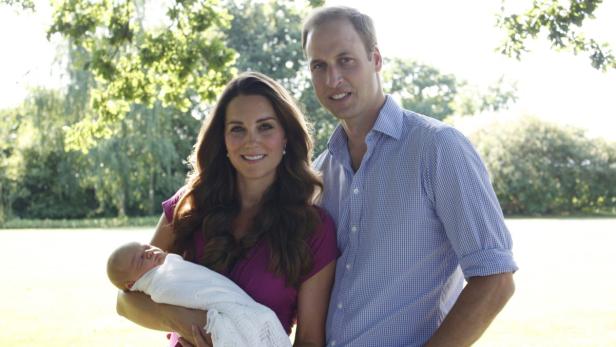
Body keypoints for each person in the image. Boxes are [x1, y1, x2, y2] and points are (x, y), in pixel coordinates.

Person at [301, 6, 518, 347]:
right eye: (319, 66)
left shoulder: (438, 147)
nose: (333, 79)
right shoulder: (320, 172)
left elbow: (495, 279)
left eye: (346, 60)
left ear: (375, 59)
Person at [115, 72, 338, 347]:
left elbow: (310, 341)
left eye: (265, 126)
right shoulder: (189, 205)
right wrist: (193, 325)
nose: (250, 140)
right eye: (237, 129)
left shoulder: (314, 229)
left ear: (286, 138)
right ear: (223, 141)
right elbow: (126, 301)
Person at [107, 241, 291, 347]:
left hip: (245, 311)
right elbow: (123, 302)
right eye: (139, 259)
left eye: (146, 247)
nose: (148, 253)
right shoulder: (158, 283)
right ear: (132, 283)